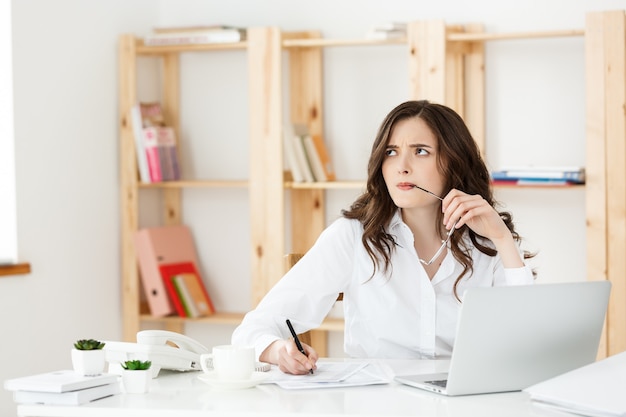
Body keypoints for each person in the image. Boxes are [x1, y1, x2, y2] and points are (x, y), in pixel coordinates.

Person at [232, 100, 535, 375]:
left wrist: (503, 240)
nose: (402, 166)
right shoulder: (352, 237)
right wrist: (277, 351)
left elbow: (526, 344)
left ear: (454, 162)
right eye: (391, 152)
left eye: (420, 151)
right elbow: (252, 330)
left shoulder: (489, 239)